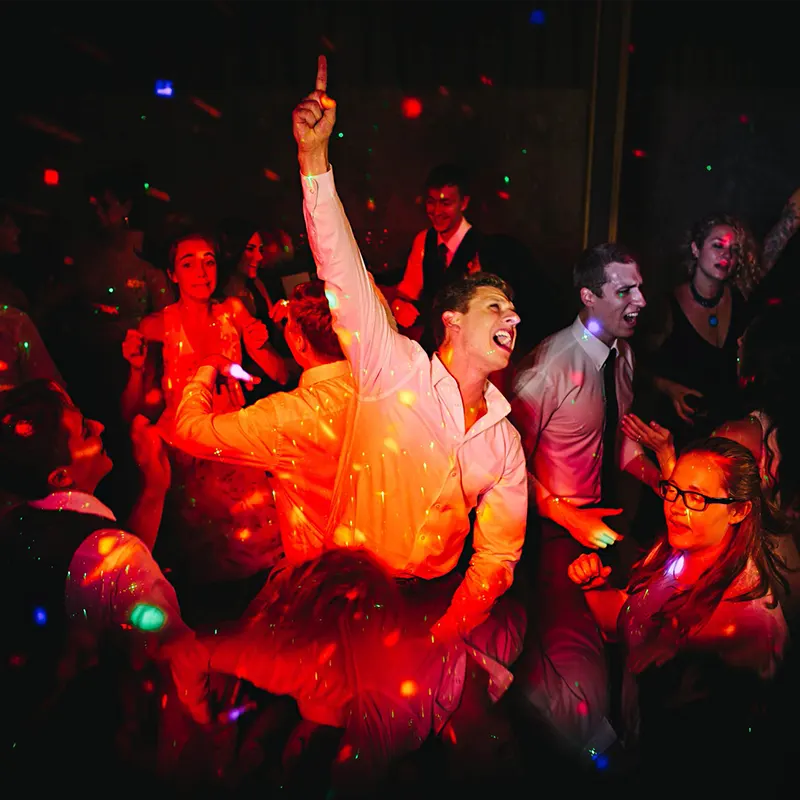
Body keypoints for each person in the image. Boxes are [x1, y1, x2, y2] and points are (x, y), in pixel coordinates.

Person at [292, 56, 527, 647]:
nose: (513, 317)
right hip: (346, 598)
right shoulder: (392, 370)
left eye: (513, 310)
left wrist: (448, 628)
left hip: (433, 605)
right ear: (452, 322)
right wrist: (314, 162)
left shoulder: (503, 440)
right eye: (495, 306)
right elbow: (342, 271)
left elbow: (499, 552)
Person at [0, 380, 210, 782]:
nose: (98, 425)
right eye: (84, 431)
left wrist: (155, 489)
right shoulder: (117, 556)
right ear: (61, 476)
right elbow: (175, 658)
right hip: (96, 751)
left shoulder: (16, 522)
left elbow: (104, 580)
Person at [568, 437, 788, 786]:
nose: (675, 508)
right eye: (672, 490)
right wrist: (594, 587)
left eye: (697, 498)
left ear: (738, 510)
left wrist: (681, 643)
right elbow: (626, 620)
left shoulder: (746, 616)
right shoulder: (684, 552)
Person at [510, 241, 654, 758]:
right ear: (589, 296)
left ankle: (627, 750)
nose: (640, 300)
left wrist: (664, 478)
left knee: (623, 654)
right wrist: (563, 513)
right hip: (553, 541)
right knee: (575, 666)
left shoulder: (623, 354)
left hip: (606, 531)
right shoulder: (550, 367)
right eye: (625, 290)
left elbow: (614, 440)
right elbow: (505, 467)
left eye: (640, 287)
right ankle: (592, 762)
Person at [171, 278, 353, 565]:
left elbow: (188, 431)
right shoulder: (379, 382)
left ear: (300, 342)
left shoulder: (285, 416)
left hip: (323, 568)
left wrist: (208, 367)